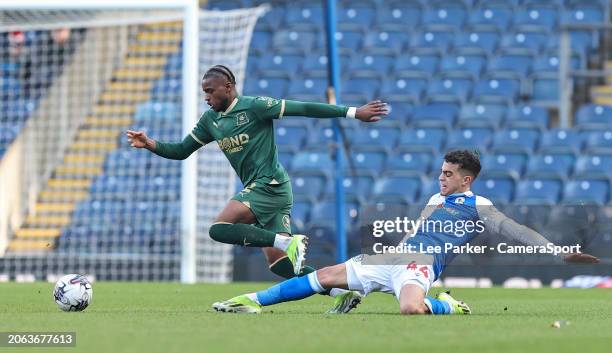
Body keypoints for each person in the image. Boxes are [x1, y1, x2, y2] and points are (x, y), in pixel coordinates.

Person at [127, 65, 388, 312]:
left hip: (268, 185)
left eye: (210, 91)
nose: (206, 97)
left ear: (227, 87)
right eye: (204, 92)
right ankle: (340, 293)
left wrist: (353, 112)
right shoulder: (210, 121)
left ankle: (286, 241)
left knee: (218, 229)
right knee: (281, 266)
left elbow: (304, 108)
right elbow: (181, 150)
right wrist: (150, 143)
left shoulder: (256, 107)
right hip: (268, 190)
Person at [212, 150, 600, 315]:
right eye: (441, 171)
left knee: (411, 309)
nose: (441, 177)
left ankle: (448, 305)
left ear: (466, 179)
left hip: (419, 267)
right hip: (393, 259)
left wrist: (560, 251)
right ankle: (251, 301)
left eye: (449, 174)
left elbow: (517, 232)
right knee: (323, 276)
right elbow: (417, 231)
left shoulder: (480, 207)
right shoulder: (434, 197)